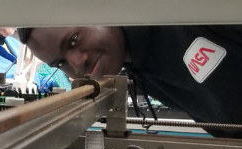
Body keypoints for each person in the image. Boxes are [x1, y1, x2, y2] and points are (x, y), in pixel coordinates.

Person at [18, 25, 242, 133]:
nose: (77, 64)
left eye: (74, 40)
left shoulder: (182, 16)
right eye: (60, 63)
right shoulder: (137, 66)